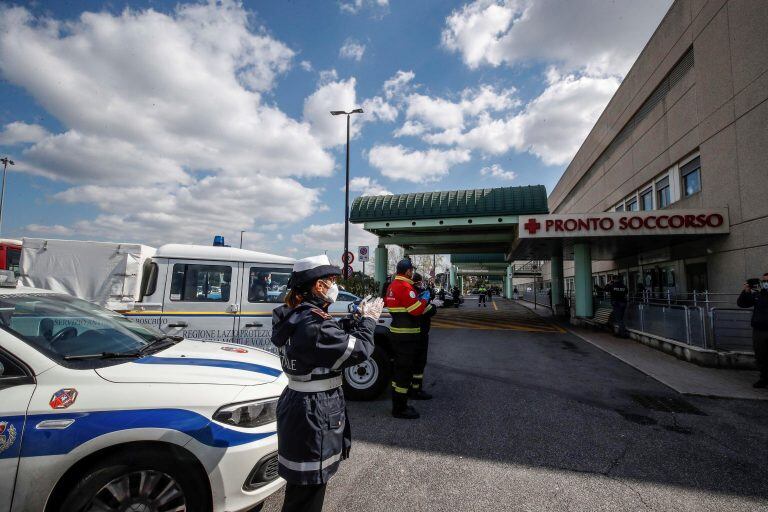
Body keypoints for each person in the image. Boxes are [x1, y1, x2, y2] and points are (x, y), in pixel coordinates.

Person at [271, 255, 384, 511]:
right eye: (331, 280)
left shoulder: (293, 315)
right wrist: (369, 320)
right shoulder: (315, 325)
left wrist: (353, 319)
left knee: (301, 489)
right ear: (318, 286)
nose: (335, 285)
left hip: (298, 406)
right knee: (309, 493)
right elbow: (360, 350)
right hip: (314, 413)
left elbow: (323, 331)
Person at [385, 258, 434, 419]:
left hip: (397, 335)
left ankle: (399, 404)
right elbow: (416, 310)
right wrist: (425, 298)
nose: (412, 273)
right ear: (407, 271)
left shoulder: (392, 286)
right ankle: (400, 409)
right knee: (404, 373)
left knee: (399, 372)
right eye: (411, 270)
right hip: (406, 337)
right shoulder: (405, 287)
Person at [737, 273, 768, 388]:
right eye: (764, 281)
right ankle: (764, 379)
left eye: (767, 281)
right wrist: (746, 291)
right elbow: (741, 304)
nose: (765, 283)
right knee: (761, 356)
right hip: (759, 331)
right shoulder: (758, 295)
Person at [412, 273, 438, 400]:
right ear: (419, 282)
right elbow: (428, 310)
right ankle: (416, 390)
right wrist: (433, 306)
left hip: (411, 333)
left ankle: (410, 388)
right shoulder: (420, 294)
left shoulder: (409, 293)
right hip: (420, 333)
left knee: (411, 362)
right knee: (419, 363)